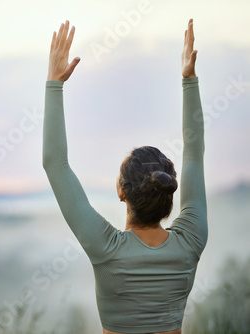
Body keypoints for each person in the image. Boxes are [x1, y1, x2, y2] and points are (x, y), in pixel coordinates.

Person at [42, 19, 207, 334]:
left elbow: (54, 163)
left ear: (122, 191)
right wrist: (189, 80)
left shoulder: (107, 249)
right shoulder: (190, 243)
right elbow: (195, 155)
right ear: (168, 193)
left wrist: (54, 83)